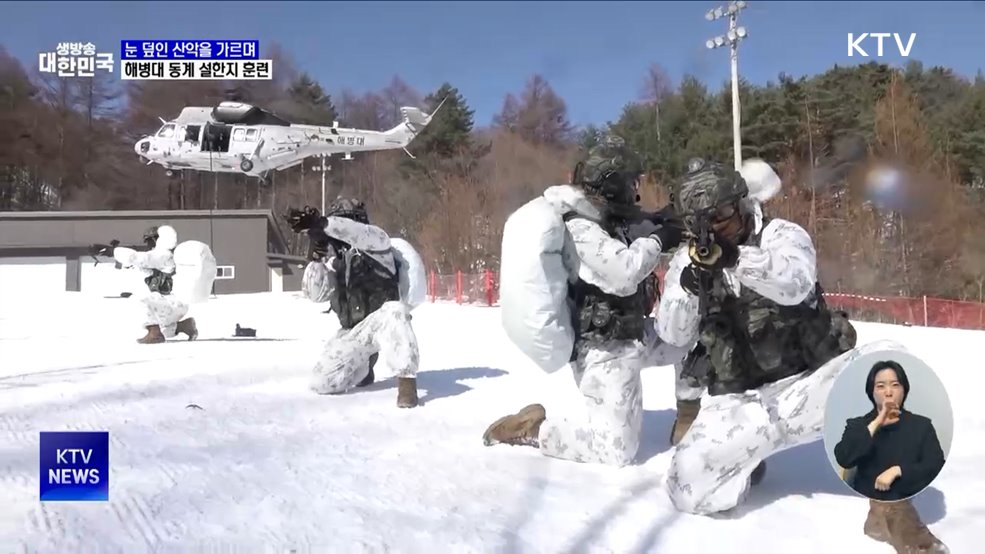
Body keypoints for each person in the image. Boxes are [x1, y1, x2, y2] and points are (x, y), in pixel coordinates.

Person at [654, 159, 946, 549]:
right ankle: (745, 463)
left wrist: (735, 259)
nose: (712, 229)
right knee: (685, 487)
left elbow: (793, 284)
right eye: (699, 223)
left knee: (888, 362)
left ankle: (890, 509)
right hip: (742, 404)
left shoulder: (781, 235)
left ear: (741, 204)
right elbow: (672, 334)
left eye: (720, 216)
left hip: (809, 387)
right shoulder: (687, 259)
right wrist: (688, 286)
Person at [482, 136, 689, 466]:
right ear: (614, 185)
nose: (637, 189)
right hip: (603, 351)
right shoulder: (579, 228)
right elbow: (624, 272)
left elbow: (638, 227)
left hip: (636, 335)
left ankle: (687, 420)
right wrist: (660, 239)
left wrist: (663, 219)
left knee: (693, 339)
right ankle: (537, 429)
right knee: (616, 452)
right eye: (632, 182)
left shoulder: (609, 222)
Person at [287, 199, 422, 409]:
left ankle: (406, 381)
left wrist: (324, 224)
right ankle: (364, 369)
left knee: (395, 311)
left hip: (380, 323)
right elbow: (314, 294)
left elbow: (356, 233)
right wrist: (316, 255)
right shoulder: (336, 263)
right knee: (322, 382)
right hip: (353, 331)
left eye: (342, 222)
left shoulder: (378, 244)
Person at [834, 360, 948, 552]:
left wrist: (899, 470)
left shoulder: (921, 426)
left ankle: (887, 530)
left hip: (903, 494)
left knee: (894, 504)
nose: (888, 392)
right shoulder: (858, 426)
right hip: (870, 494)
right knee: (888, 506)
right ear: (872, 392)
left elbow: (934, 465)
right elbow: (845, 457)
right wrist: (878, 421)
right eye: (881, 386)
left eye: (895, 385)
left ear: (904, 390)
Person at [94, 225, 198, 344]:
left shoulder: (163, 254)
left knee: (137, 300)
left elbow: (138, 258)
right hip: (175, 303)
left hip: (172, 302)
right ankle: (186, 326)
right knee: (166, 331)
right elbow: (141, 265)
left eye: (149, 241)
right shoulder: (166, 255)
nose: (148, 244)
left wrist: (113, 251)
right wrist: (118, 254)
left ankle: (154, 334)